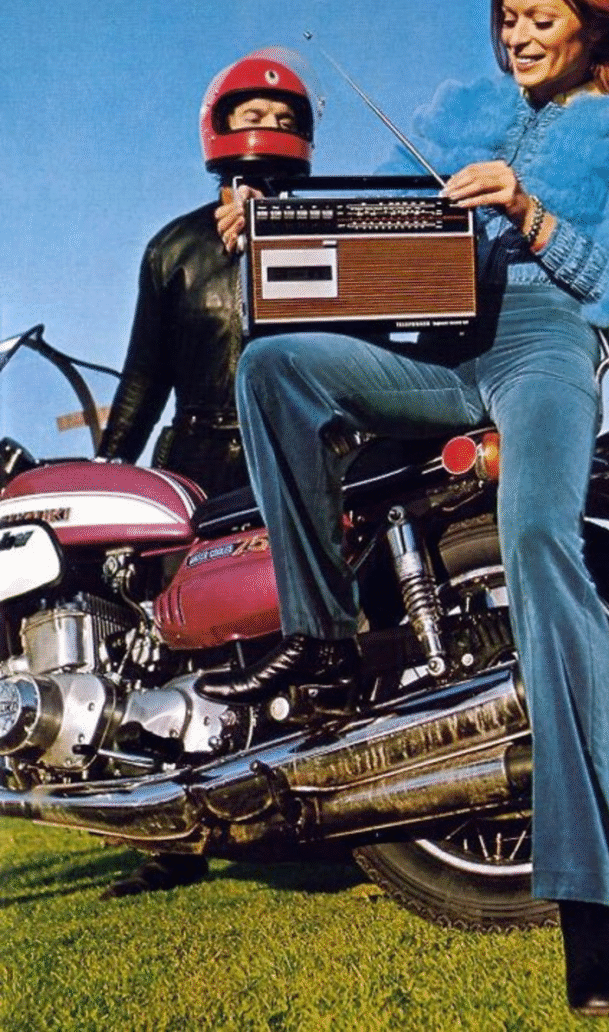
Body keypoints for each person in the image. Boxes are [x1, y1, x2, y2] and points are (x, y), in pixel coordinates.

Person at [200, 0, 609, 1013]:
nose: (519, 37)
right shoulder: (453, 113)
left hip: (543, 345)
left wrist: (528, 213)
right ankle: (324, 641)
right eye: (507, 18)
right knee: (275, 365)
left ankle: (591, 911)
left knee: (540, 546)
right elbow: (354, 231)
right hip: (431, 341)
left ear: (587, 18)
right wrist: (264, 228)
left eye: (541, 17)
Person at [97, 48, 317, 898]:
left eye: (283, 118)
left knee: (285, 629)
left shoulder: (329, 227)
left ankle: (304, 800)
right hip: (190, 461)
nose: (266, 131)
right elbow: (142, 374)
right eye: (250, 117)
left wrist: (277, 243)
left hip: (292, 446)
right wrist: (111, 467)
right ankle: (172, 840)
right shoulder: (173, 248)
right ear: (217, 129)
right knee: (165, 644)